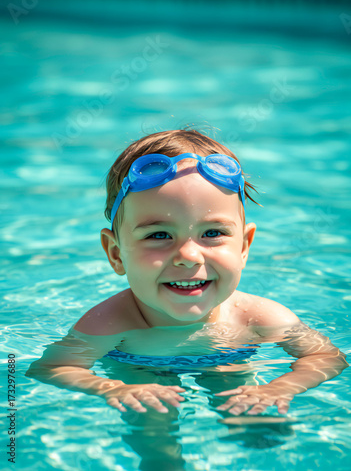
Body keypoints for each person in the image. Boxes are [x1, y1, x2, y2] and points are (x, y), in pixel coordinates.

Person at [26, 129, 348, 419]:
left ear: (244, 246)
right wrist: (113, 389)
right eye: (159, 235)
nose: (189, 256)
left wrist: (279, 388)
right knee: (152, 421)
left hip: (228, 360)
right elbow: (52, 367)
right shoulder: (111, 322)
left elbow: (326, 357)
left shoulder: (256, 316)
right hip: (140, 368)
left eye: (212, 233)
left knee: (252, 417)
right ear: (115, 253)